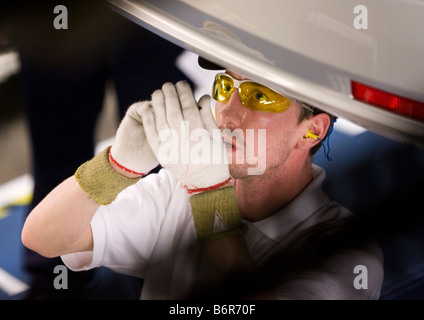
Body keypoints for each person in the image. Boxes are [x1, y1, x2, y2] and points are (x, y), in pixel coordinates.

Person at [21, 54, 384, 299]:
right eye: (226, 87)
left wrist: (210, 195)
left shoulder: (350, 252)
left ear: (311, 131)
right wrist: (116, 167)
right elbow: (44, 238)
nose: (226, 113)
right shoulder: (179, 189)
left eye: (259, 96)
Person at [1, 0, 191, 298]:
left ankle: (157, 281)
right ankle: (56, 280)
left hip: (159, 14)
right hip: (58, 15)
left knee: (163, 150)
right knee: (57, 150)